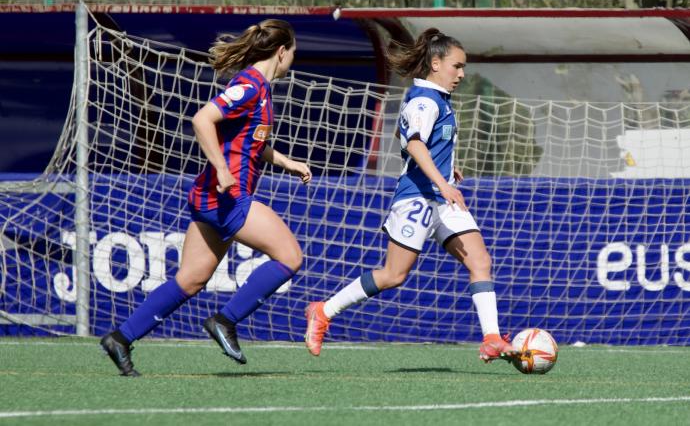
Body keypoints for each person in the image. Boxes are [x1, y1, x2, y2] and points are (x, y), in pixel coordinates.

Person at [100, 19, 311, 377]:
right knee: (290, 257)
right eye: (292, 53)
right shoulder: (248, 86)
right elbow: (202, 119)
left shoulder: (259, 89)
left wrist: (287, 162)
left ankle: (121, 338)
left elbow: (251, 143)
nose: (292, 59)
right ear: (281, 52)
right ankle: (225, 321)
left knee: (191, 279)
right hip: (227, 197)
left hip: (209, 197)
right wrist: (223, 170)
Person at [304, 28, 518, 363]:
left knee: (480, 261)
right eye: (456, 66)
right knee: (393, 275)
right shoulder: (423, 100)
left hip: (441, 198)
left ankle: (491, 337)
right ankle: (323, 310)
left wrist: (448, 170)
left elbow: (417, 142)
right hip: (418, 197)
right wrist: (442, 182)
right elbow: (414, 143)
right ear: (435, 63)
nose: (461, 74)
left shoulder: (436, 100)